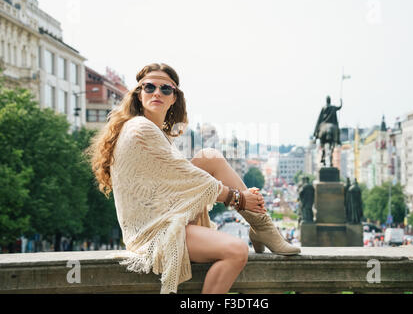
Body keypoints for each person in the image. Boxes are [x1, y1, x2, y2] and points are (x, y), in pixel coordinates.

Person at [88, 63, 300, 295]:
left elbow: (178, 178)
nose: (156, 92)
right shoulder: (140, 128)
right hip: (154, 231)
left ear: (174, 98)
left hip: (164, 217)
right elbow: (184, 176)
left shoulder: (157, 132)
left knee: (210, 157)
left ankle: (261, 225)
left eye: (165, 89)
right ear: (139, 95)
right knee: (237, 250)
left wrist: (242, 198)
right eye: (148, 87)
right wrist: (238, 198)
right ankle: (261, 226)